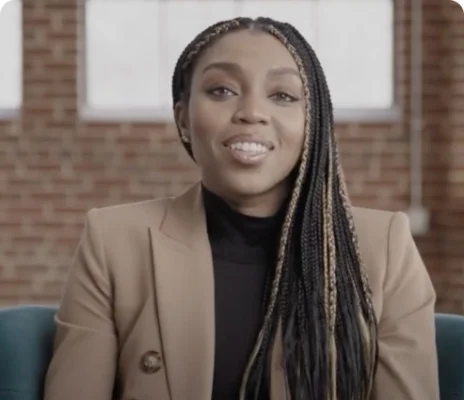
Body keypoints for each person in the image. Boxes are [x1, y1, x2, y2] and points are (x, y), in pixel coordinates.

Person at [44, 17, 439, 400]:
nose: (251, 112)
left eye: (282, 95)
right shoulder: (112, 241)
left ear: (312, 123)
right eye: (221, 90)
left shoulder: (386, 249)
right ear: (182, 118)